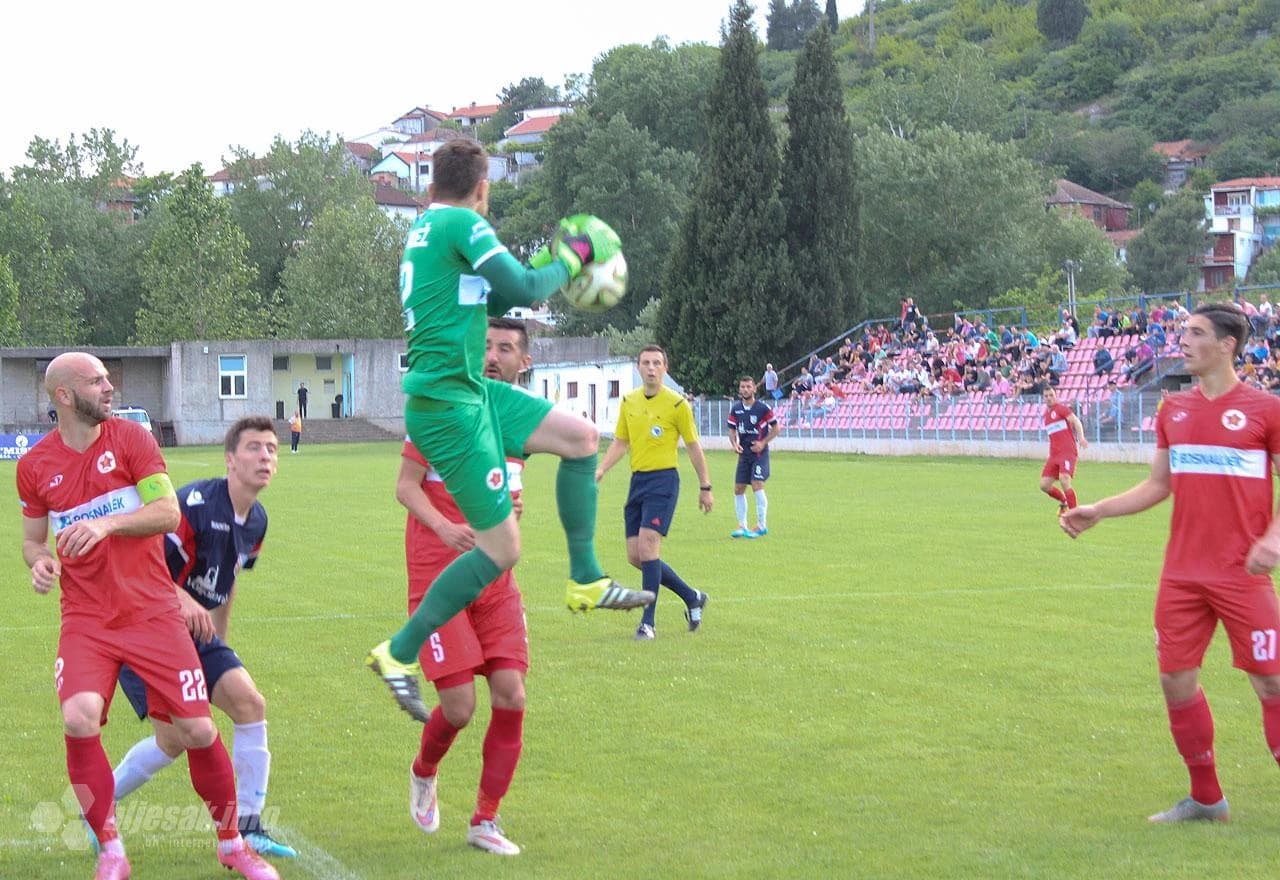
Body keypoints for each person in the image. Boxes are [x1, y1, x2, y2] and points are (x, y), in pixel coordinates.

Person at [366, 137, 653, 722]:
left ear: (428, 186)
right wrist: (576, 255)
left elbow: (493, 292)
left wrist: (550, 271)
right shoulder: (461, 225)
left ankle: (586, 580)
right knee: (503, 547)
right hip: (449, 405)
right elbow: (522, 288)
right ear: (483, 188)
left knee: (581, 439)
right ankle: (399, 652)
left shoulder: (425, 231)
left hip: (470, 389)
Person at [15, 352, 278, 880]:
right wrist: (41, 563)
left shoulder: (133, 440)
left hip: (153, 612)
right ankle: (111, 848)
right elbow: (31, 541)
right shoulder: (34, 466)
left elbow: (166, 513)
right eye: (97, 381)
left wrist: (108, 525)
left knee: (198, 731)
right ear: (65, 396)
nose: (109, 388)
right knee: (78, 717)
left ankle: (233, 844)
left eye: (109, 378)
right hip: (87, 619)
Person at [1061, 303, 1280, 824]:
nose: (1183, 340)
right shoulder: (1173, 410)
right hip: (1182, 575)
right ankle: (1207, 798)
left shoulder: (1265, 410)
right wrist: (1100, 511)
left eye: (1197, 333)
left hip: (1241, 574)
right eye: (1183, 330)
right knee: (1176, 682)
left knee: (1271, 683)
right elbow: (1160, 484)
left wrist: (1274, 537)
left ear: (1227, 345)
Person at [108, 416, 295, 860]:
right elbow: (138, 566)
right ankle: (99, 807)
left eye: (271, 449)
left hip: (195, 634)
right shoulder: (193, 503)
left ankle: (250, 828)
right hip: (146, 629)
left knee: (250, 703)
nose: (265, 456)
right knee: (174, 741)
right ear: (230, 460)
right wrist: (183, 600)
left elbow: (228, 580)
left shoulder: (257, 520)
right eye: (253, 448)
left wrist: (220, 647)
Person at [400, 318, 535, 857]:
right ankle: (424, 770)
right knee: (458, 708)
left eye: (504, 348)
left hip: (496, 578)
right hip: (441, 573)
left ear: (523, 363)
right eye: (483, 345)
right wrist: (445, 526)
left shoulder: (520, 423)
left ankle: (485, 819)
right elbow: (406, 487)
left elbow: (508, 494)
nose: (491, 355)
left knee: (512, 694)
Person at [596, 345, 712, 641]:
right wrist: (601, 469)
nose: (651, 368)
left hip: (664, 481)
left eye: (656, 363)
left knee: (649, 548)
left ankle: (648, 623)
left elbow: (694, 447)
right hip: (638, 482)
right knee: (637, 556)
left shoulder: (677, 404)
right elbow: (621, 442)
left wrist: (705, 487)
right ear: (638, 368)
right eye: (646, 363)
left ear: (665, 367)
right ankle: (692, 596)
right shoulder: (629, 401)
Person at [728, 376, 780, 538]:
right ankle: (742, 525)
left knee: (757, 484)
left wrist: (763, 443)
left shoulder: (762, 408)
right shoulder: (736, 409)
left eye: (748, 387)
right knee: (738, 488)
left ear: (754, 389)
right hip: (744, 455)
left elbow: (776, 428)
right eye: (742, 387)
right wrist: (734, 444)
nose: (745, 389)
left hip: (759, 453)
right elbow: (732, 430)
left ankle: (761, 525)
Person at [1039, 385, 1087, 513]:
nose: (1049, 398)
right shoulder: (1046, 416)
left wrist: (1081, 438)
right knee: (1044, 485)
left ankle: (1075, 514)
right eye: (1046, 396)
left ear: (1056, 396)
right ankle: (1064, 501)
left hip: (1067, 452)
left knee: (1064, 479)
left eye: (1051, 395)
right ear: (1043, 398)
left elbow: (1076, 422)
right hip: (1054, 454)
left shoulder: (1061, 409)